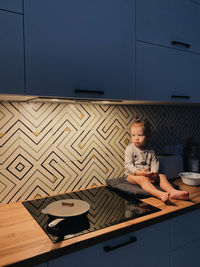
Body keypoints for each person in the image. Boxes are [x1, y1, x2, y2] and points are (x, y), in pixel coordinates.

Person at [124, 118, 189, 203]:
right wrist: (139, 173)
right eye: (133, 135)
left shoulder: (151, 151)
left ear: (148, 136)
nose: (136, 138)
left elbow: (155, 163)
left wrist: (154, 173)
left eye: (140, 135)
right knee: (142, 179)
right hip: (132, 175)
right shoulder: (130, 149)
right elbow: (128, 165)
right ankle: (159, 194)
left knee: (162, 176)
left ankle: (173, 192)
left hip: (148, 174)